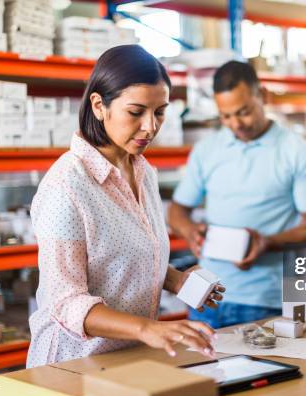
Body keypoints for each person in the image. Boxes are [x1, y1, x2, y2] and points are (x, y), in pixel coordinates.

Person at [27, 45, 224, 368]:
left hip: (129, 358)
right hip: (73, 364)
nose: (150, 126)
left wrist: (177, 280)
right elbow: (65, 301)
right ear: (99, 105)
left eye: (159, 112)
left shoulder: (143, 171)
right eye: (136, 112)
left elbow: (126, 257)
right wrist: (149, 329)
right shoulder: (66, 187)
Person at [168, 61, 306, 328]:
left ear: (263, 96)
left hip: (266, 301)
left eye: (243, 112)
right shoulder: (207, 149)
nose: (236, 123)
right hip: (204, 295)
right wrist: (190, 232)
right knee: (198, 370)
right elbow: (177, 210)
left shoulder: (299, 153)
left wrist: (266, 242)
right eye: (226, 116)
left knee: (265, 370)